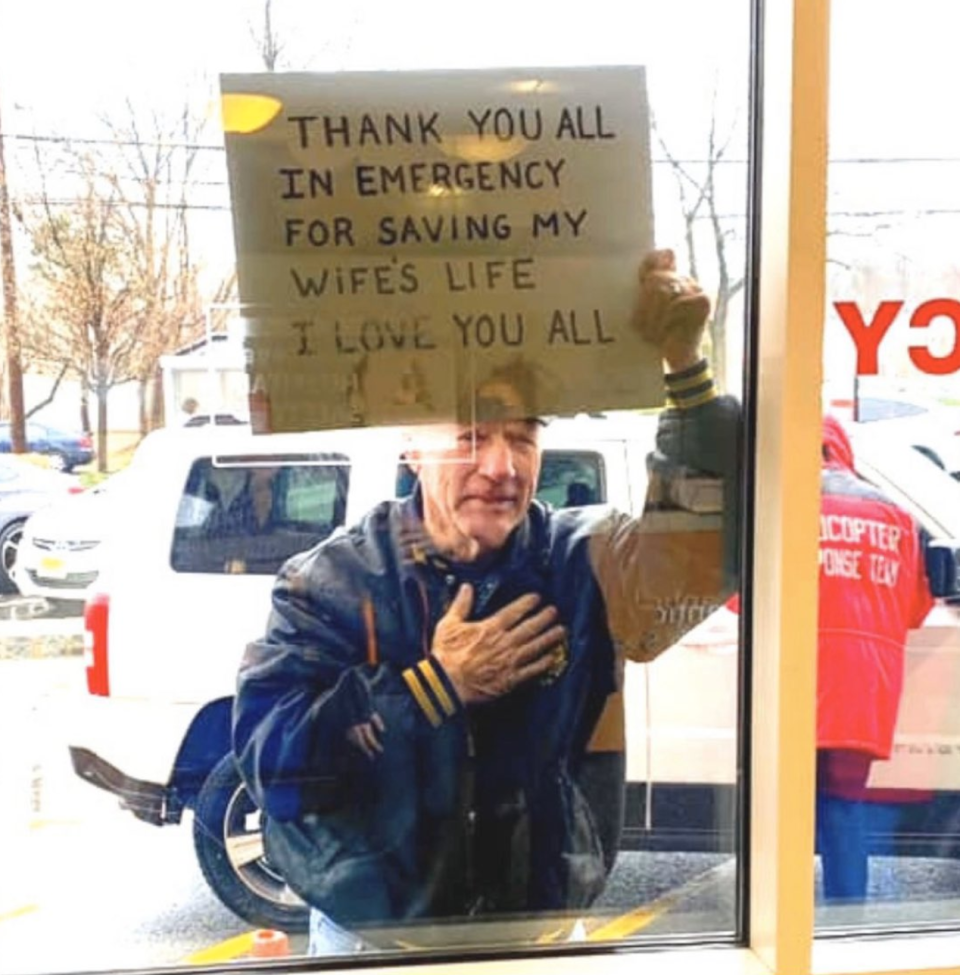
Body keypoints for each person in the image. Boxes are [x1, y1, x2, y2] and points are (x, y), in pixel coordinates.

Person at [232, 249, 741, 952]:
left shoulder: (582, 562)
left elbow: (703, 550)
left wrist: (685, 365)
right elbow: (279, 772)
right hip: (380, 941)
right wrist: (432, 689)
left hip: (543, 935)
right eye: (472, 434)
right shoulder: (329, 584)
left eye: (522, 434)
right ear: (411, 442)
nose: (501, 465)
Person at [815, 415, 935, 903]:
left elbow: (739, 600)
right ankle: (846, 920)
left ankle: (772, 930)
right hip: (863, 689)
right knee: (843, 808)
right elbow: (916, 609)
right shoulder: (896, 515)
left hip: (793, 680)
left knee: (777, 813)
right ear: (841, 449)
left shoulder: (777, 504)